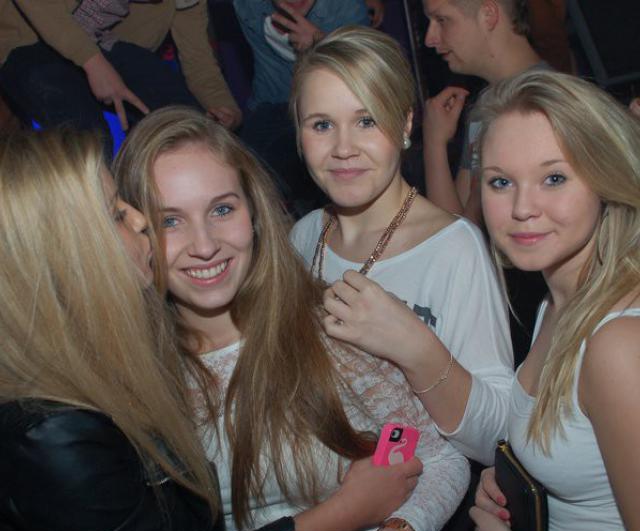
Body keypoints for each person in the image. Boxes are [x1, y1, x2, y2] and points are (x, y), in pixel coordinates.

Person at [0, 128, 391, 531]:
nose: (139, 220)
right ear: (64, 252)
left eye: (222, 209)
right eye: (117, 214)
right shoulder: (50, 425)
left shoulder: (104, 361)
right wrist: (349, 509)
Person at [114, 105, 471, 531]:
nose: (205, 245)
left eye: (222, 209)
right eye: (170, 221)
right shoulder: (130, 378)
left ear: (254, 212)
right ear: (133, 233)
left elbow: (434, 457)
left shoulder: (330, 327)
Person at [289, 25, 512, 466]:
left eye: (366, 121)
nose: (343, 148)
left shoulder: (452, 248)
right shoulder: (305, 236)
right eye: (322, 125)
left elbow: (498, 438)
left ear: (406, 123)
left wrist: (416, 349)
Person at [469, 70, 640, 531]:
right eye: (500, 182)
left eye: (554, 178)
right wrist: (517, 483)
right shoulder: (553, 303)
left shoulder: (618, 343)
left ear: (605, 177)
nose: (522, 208)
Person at [0, 0, 240, 158]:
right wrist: (92, 62)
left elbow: (199, 61)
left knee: (186, 120)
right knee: (89, 137)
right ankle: (90, 212)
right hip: (27, 43)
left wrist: (223, 107)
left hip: (104, 43)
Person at [232, 0, 369, 214]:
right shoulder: (248, 5)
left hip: (332, 108)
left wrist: (322, 44)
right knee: (246, 179)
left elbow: (370, 78)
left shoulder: (346, 8)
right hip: (271, 105)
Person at [421, 0, 546, 222]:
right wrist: (435, 143)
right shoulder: (487, 103)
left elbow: (459, 235)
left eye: (441, 20)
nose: (430, 39)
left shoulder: (541, 106)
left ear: (488, 15)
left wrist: (433, 144)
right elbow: (455, 228)